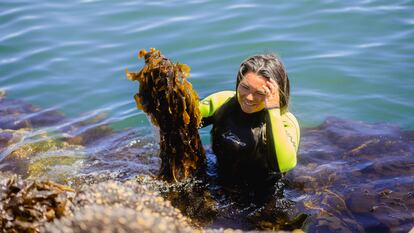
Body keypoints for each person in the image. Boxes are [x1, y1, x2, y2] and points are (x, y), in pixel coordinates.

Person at [198, 54, 300, 201]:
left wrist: (272, 109)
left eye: (260, 93)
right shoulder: (222, 101)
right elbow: (179, 120)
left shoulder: (286, 122)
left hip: (262, 197)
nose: (249, 98)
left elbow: (284, 164)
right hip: (218, 180)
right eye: (245, 87)